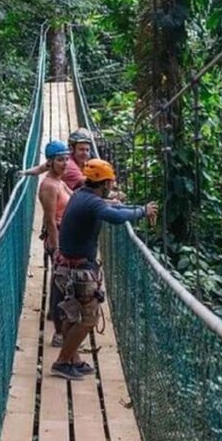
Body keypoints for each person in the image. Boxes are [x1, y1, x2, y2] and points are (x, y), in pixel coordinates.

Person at [50, 159, 158, 380]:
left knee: (74, 313)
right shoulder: (92, 203)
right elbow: (117, 217)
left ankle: (73, 359)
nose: (112, 186)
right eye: (110, 182)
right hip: (77, 270)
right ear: (104, 183)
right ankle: (62, 362)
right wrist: (142, 211)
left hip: (68, 266)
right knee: (88, 318)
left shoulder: (82, 194)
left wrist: (137, 209)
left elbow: (113, 208)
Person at [38, 140, 73, 348]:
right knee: (61, 283)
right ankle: (59, 334)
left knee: (61, 280)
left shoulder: (59, 181)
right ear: (50, 162)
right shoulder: (49, 186)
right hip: (58, 237)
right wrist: (57, 247)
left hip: (66, 235)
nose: (65, 163)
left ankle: (56, 316)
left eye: (67, 159)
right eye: (60, 160)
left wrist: (107, 202)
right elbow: (50, 219)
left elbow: (75, 197)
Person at [21, 128, 93, 190]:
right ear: (72, 149)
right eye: (81, 150)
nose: (85, 153)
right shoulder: (69, 165)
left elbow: (40, 169)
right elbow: (92, 184)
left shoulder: (63, 158)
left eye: (87, 150)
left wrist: (25, 172)